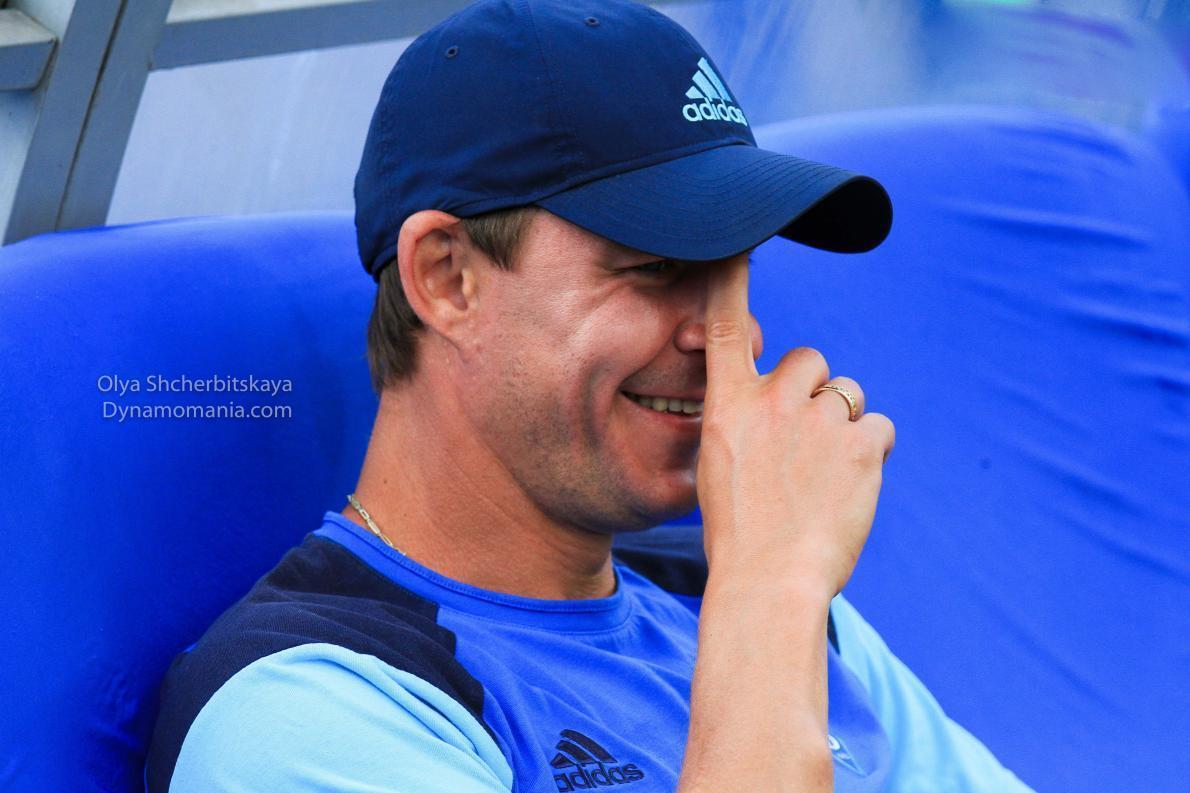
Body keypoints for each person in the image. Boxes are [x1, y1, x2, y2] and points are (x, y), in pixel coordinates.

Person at [146, 1, 1035, 790]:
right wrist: (773, 587)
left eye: (738, 273)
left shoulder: (740, 592)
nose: (730, 336)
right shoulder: (306, 707)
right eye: (658, 267)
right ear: (448, 279)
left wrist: (771, 589)